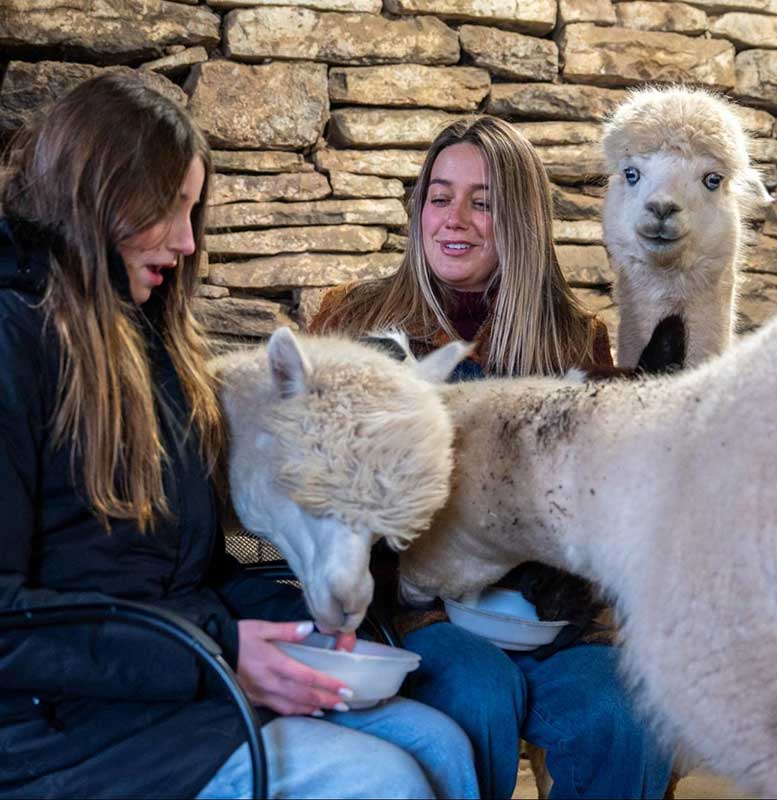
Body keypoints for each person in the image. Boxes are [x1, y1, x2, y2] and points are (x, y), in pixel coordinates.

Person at [0, 72, 480, 800]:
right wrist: (218, 653)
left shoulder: (151, 347)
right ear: (100, 192)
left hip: (165, 687)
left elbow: (185, 575)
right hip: (61, 734)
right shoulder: (13, 340)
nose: (189, 242)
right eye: (171, 209)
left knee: (443, 744)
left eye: (194, 212)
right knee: (383, 781)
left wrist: (307, 636)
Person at [311, 116, 675, 799]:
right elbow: (309, 481)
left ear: (521, 221)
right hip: (407, 606)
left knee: (625, 714)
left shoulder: (574, 342)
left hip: (548, 616)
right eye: (439, 195)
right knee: (474, 691)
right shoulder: (352, 321)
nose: (456, 219)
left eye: (484, 203)